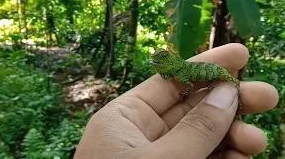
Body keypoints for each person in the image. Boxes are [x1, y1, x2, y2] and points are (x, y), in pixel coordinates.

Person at [73, 44, 279, 159]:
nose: (158, 61)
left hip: (218, 75)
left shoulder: (183, 72)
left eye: (162, 58)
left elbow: (190, 87)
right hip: (212, 77)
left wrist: (193, 100)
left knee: (236, 90)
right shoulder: (180, 72)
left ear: (171, 60)